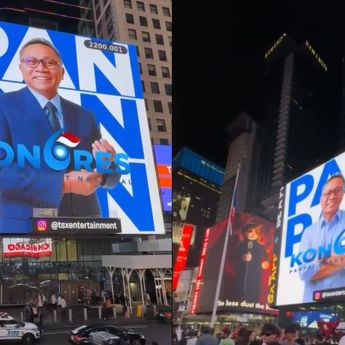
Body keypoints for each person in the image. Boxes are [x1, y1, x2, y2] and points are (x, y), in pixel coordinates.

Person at [0, 38, 120, 233]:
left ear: (62, 73)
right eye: (32, 61)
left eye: (50, 62)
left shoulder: (84, 115)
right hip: (25, 226)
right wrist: (63, 184)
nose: (41, 68)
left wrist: (105, 168)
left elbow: (112, 178)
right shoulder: (4, 106)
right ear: (21, 69)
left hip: (85, 224)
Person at [299, 174, 345, 302]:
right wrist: (339, 261)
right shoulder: (308, 232)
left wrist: (319, 260)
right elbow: (304, 273)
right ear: (321, 199)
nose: (332, 196)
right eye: (328, 192)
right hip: (310, 304)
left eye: (338, 190)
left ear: (342, 194)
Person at [229, 222, 270, 302]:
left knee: (253, 292)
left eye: (256, 232)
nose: (253, 234)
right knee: (238, 293)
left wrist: (265, 263)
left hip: (255, 275)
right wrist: (241, 258)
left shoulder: (260, 247)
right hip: (240, 276)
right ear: (245, 233)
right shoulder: (240, 246)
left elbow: (267, 259)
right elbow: (232, 258)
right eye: (250, 231)